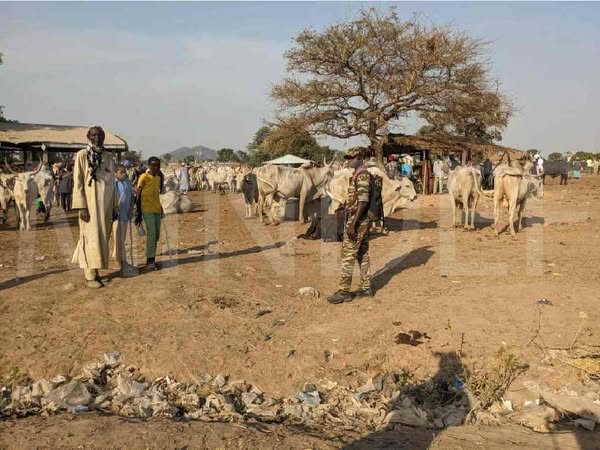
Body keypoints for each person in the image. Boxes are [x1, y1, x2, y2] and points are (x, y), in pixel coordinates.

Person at [71, 126, 117, 289]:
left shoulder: (108, 156)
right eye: (94, 135)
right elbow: (78, 182)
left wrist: (114, 205)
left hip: (105, 205)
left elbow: (112, 183)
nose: (97, 137)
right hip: (89, 206)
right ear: (88, 137)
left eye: (100, 134)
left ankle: (96, 272)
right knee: (90, 237)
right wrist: (81, 206)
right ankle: (89, 276)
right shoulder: (82, 156)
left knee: (101, 238)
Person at [328, 146, 373, 304]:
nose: (349, 160)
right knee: (362, 254)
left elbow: (363, 201)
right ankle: (366, 287)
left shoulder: (362, 176)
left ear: (361, 157)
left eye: (352, 157)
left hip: (358, 221)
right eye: (348, 157)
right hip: (362, 220)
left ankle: (344, 291)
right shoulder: (358, 174)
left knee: (348, 256)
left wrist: (353, 224)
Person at [135, 156, 164, 270]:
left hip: (156, 208)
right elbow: (138, 193)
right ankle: (149, 261)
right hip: (146, 209)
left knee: (156, 234)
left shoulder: (158, 178)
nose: (156, 167)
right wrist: (138, 211)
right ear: (148, 165)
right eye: (153, 165)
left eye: (158, 165)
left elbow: (155, 194)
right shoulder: (143, 177)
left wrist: (160, 207)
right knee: (152, 233)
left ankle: (152, 259)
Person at [113, 164, 135, 274]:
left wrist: (131, 210)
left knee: (123, 239)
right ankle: (121, 261)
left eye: (124, 172)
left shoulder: (128, 183)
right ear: (115, 173)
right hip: (116, 217)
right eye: (121, 172)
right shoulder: (113, 184)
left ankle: (123, 260)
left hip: (125, 215)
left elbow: (131, 197)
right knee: (118, 240)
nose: (124, 174)